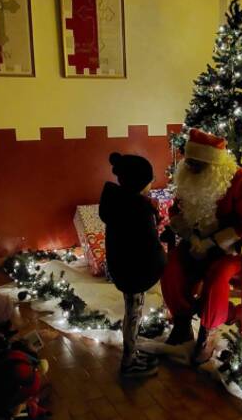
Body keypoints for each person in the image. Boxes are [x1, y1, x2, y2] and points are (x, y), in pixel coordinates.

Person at [161, 128, 242, 364]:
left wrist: (213, 242)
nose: (192, 168)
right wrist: (191, 236)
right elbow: (177, 211)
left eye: (199, 164)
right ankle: (183, 321)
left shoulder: (238, 179)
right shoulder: (187, 176)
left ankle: (209, 330)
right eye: (190, 162)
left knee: (217, 275)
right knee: (171, 267)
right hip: (196, 241)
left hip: (238, 243)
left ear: (214, 164)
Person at [99, 152, 165, 377]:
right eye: (151, 178)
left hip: (123, 266)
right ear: (140, 182)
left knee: (132, 311)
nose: (153, 182)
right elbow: (148, 246)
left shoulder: (119, 201)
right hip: (134, 271)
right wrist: (161, 258)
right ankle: (129, 361)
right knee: (134, 313)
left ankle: (133, 352)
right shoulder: (137, 209)